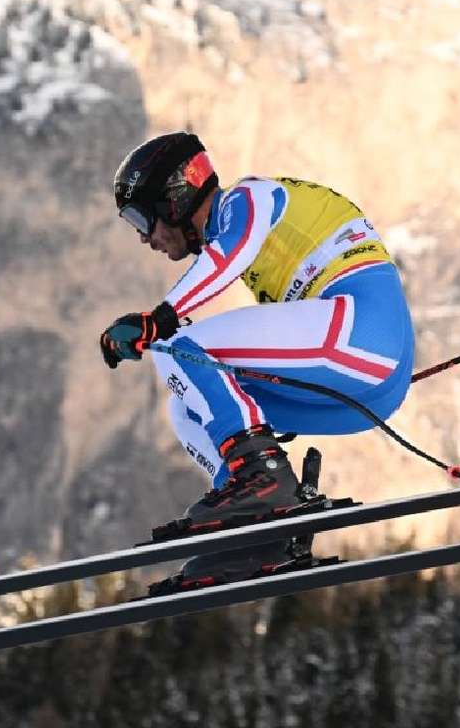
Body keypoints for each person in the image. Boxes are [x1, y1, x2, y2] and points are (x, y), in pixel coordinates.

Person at [99, 131, 415, 585]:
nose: (144, 238)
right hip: (364, 374)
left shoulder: (249, 198)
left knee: (178, 352)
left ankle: (261, 482)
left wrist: (159, 320)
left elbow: (227, 257)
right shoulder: (243, 234)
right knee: (185, 405)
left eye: (140, 218)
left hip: (362, 334)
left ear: (173, 200)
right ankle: (251, 529)